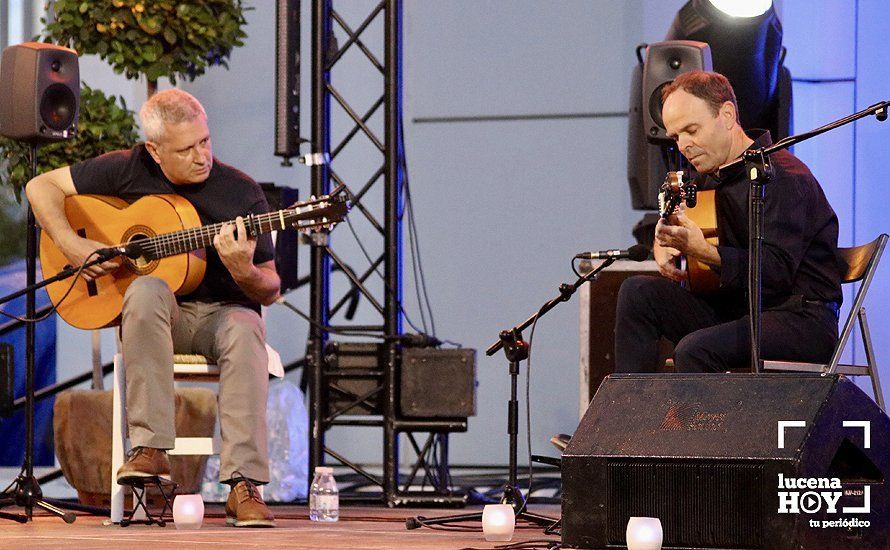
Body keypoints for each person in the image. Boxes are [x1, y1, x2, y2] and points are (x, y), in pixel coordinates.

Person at [26, 89, 278, 527]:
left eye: (205, 141)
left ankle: (243, 486)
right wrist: (72, 244)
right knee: (144, 290)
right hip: (161, 320)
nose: (202, 156)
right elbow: (39, 186)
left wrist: (244, 271)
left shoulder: (241, 193)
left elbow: (271, 288)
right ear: (155, 151)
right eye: (186, 149)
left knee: (245, 326)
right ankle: (151, 448)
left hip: (223, 317)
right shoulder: (129, 168)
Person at [615, 71, 843, 373]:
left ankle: (697, 423)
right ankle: (631, 414)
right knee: (637, 294)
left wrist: (705, 252)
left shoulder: (783, 176)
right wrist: (662, 240)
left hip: (798, 317)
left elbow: (775, 274)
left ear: (726, 114)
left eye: (692, 130)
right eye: (676, 136)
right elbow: (672, 206)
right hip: (737, 312)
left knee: (695, 349)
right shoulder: (708, 178)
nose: (684, 145)